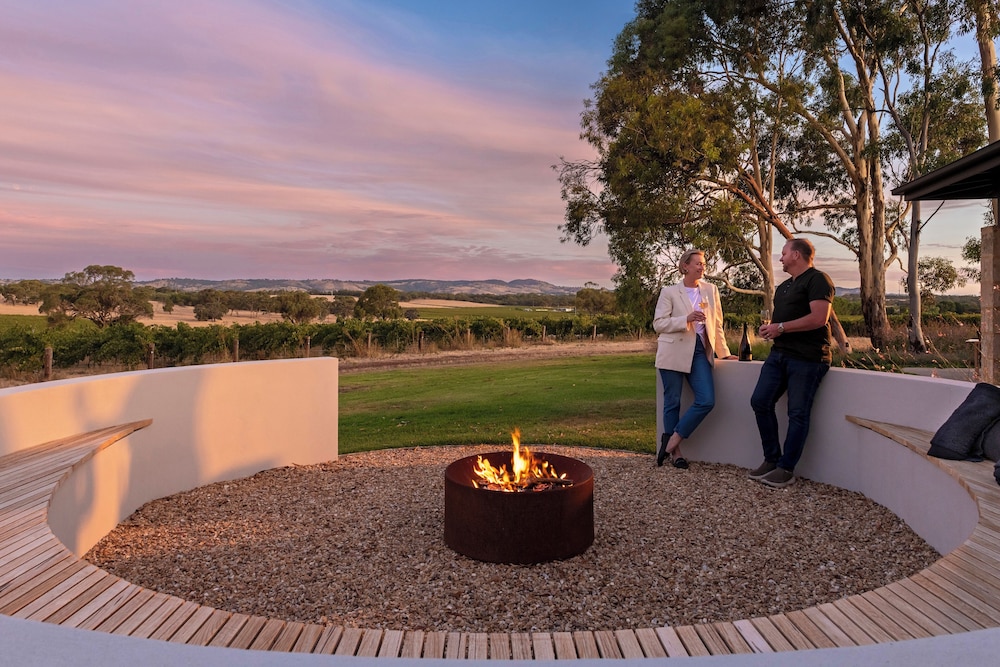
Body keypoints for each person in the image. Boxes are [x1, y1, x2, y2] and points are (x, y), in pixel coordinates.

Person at [749, 238, 835, 488]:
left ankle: (786, 468)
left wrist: (781, 328)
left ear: (797, 255)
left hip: (808, 358)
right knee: (760, 401)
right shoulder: (785, 286)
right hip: (779, 355)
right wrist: (771, 329)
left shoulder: (818, 280)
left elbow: (819, 318)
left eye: (784, 253)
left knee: (797, 413)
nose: (781, 258)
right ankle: (771, 459)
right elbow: (781, 323)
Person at [654, 249, 736, 469]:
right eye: (698, 263)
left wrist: (724, 353)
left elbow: (717, 324)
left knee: (706, 400)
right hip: (672, 352)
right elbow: (659, 324)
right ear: (685, 266)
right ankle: (676, 454)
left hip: (700, 351)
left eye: (703, 263)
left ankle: (673, 439)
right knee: (672, 402)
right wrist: (686, 319)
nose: (702, 267)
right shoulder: (669, 292)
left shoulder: (711, 290)